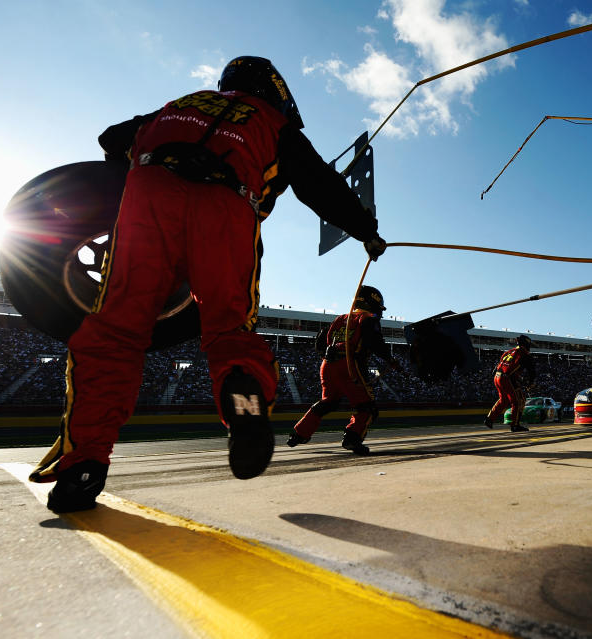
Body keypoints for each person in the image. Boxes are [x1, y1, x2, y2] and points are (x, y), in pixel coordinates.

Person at [30, 56, 387, 513]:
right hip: (227, 204)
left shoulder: (177, 105)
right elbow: (321, 186)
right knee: (229, 329)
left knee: (113, 334)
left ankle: (83, 467)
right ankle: (244, 395)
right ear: (275, 91)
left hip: (148, 200)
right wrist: (367, 231)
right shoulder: (274, 123)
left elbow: (111, 138)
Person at [287, 286, 400, 455]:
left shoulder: (340, 319)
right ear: (372, 304)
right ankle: (352, 439)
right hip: (349, 364)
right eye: (379, 309)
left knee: (328, 402)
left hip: (327, 364)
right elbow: (375, 342)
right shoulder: (368, 318)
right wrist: (391, 360)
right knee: (367, 407)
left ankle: (298, 434)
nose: (380, 313)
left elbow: (320, 343)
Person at [484, 335, 536, 432]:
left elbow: (495, 369)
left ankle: (489, 419)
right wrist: (531, 383)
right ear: (526, 344)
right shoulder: (524, 354)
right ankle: (515, 425)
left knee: (503, 400)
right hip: (507, 378)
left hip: (497, 377)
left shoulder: (508, 352)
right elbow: (531, 371)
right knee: (518, 401)